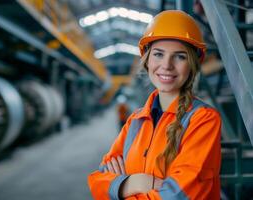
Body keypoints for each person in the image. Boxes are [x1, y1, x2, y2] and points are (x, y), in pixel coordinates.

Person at [88, 10, 221, 200]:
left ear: (192, 64)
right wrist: (134, 183)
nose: (166, 65)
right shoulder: (135, 120)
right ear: (147, 61)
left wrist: (120, 187)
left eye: (180, 56)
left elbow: (178, 195)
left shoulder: (203, 119)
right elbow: (97, 180)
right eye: (158, 54)